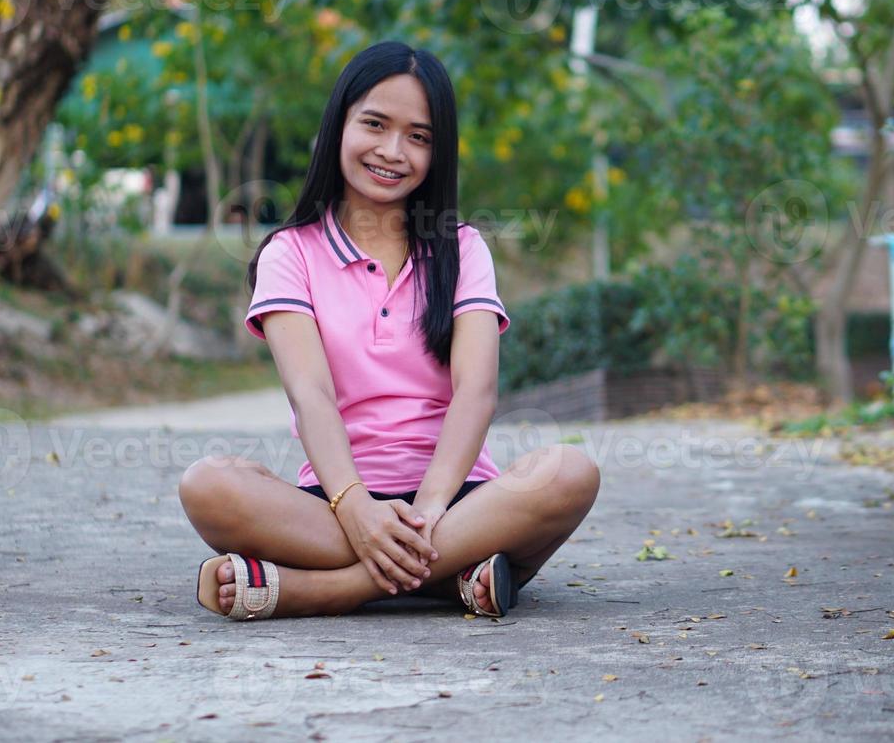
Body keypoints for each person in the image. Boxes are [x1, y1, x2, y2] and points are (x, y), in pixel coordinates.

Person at [183, 40, 599, 620]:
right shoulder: (290, 253)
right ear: (339, 126)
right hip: (334, 503)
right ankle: (455, 576)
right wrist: (356, 507)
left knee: (569, 471)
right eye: (374, 124)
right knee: (207, 484)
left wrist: (427, 510)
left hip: (456, 503)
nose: (392, 151)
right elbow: (312, 395)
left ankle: (327, 589)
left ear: (438, 151)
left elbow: (476, 393)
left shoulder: (464, 248)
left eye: (419, 136)